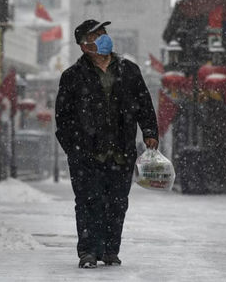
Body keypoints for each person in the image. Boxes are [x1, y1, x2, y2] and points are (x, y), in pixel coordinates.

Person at [55, 19, 159, 269]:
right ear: (84, 45)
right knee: (88, 202)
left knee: (117, 202)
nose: (103, 38)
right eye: (96, 35)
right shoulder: (72, 76)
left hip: (121, 151)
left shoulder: (129, 70)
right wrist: (74, 149)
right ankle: (88, 251)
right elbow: (63, 117)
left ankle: (111, 250)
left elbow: (144, 103)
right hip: (86, 154)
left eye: (104, 33)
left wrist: (149, 131)